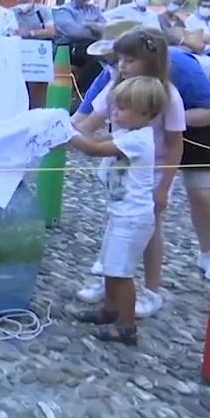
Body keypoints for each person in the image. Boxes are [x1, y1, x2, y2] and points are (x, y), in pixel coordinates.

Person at [75, 25, 210, 310]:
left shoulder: (168, 95)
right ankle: (109, 278)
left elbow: (175, 143)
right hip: (120, 169)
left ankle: (152, 290)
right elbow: (88, 120)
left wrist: (164, 187)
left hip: (149, 172)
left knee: (150, 228)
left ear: (150, 60)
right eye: (120, 59)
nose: (121, 65)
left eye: (129, 60)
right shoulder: (115, 85)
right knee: (116, 222)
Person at [69, 76, 165, 345]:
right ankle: (109, 310)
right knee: (111, 267)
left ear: (146, 113)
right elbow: (100, 137)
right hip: (121, 214)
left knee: (121, 273)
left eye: (122, 108)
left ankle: (127, 326)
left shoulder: (139, 140)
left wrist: (67, 133)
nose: (115, 112)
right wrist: (76, 131)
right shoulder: (128, 133)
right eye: (115, 106)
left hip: (133, 219)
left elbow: (96, 149)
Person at [55, 0, 108, 92]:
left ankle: (97, 91)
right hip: (71, 46)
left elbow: (106, 29)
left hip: (94, 44)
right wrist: (96, 30)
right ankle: (81, 90)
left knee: (110, 56)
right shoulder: (65, 10)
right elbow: (75, 32)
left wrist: (90, 25)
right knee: (97, 59)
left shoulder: (94, 9)